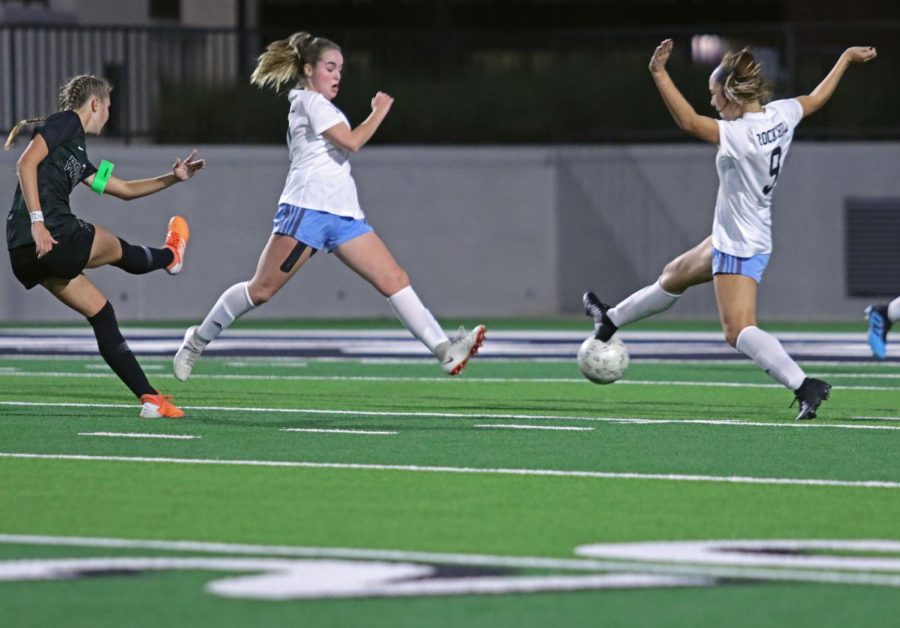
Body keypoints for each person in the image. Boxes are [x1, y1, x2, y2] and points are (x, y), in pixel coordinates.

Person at [584, 40, 877, 420]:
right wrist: (845, 59)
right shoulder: (780, 115)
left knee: (737, 330)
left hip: (739, 242)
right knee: (674, 275)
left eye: (714, 95)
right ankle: (609, 320)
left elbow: (688, 121)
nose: (712, 103)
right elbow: (816, 98)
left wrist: (659, 73)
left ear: (732, 95)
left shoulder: (740, 135)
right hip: (739, 232)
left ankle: (805, 385)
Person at [173, 32, 485, 380]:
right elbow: (352, 142)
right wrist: (379, 112)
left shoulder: (322, 106)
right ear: (308, 69)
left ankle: (445, 351)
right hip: (306, 210)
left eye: (340, 69)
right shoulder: (309, 102)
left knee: (394, 279)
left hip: (344, 214)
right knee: (260, 291)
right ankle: (197, 340)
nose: (337, 75)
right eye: (330, 68)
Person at [5, 74, 205, 418]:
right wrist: (38, 220)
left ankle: (150, 399)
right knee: (117, 248)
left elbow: (124, 189)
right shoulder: (66, 122)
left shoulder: (77, 153)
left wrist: (174, 177)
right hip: (50, 232)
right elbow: (25, 162)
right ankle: (171, 255)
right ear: (95, 104)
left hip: (25, 252)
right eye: (108, 107)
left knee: (102, 313)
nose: (109, 115)